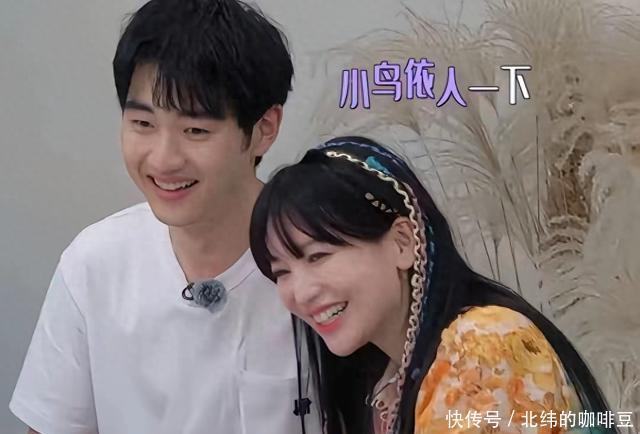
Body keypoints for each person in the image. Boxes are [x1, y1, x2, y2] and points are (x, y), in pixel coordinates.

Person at [10, 1, 322, 433]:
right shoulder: (94, 264)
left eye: (196, 131)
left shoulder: (324, 264)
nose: (163, 159)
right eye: (143, 123)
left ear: (264, 129)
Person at [249, 136, 617, 434]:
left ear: (402, 243)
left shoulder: (481, 346)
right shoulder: (384, 382)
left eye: (318, 256)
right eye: (281, 272)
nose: (300, 292)